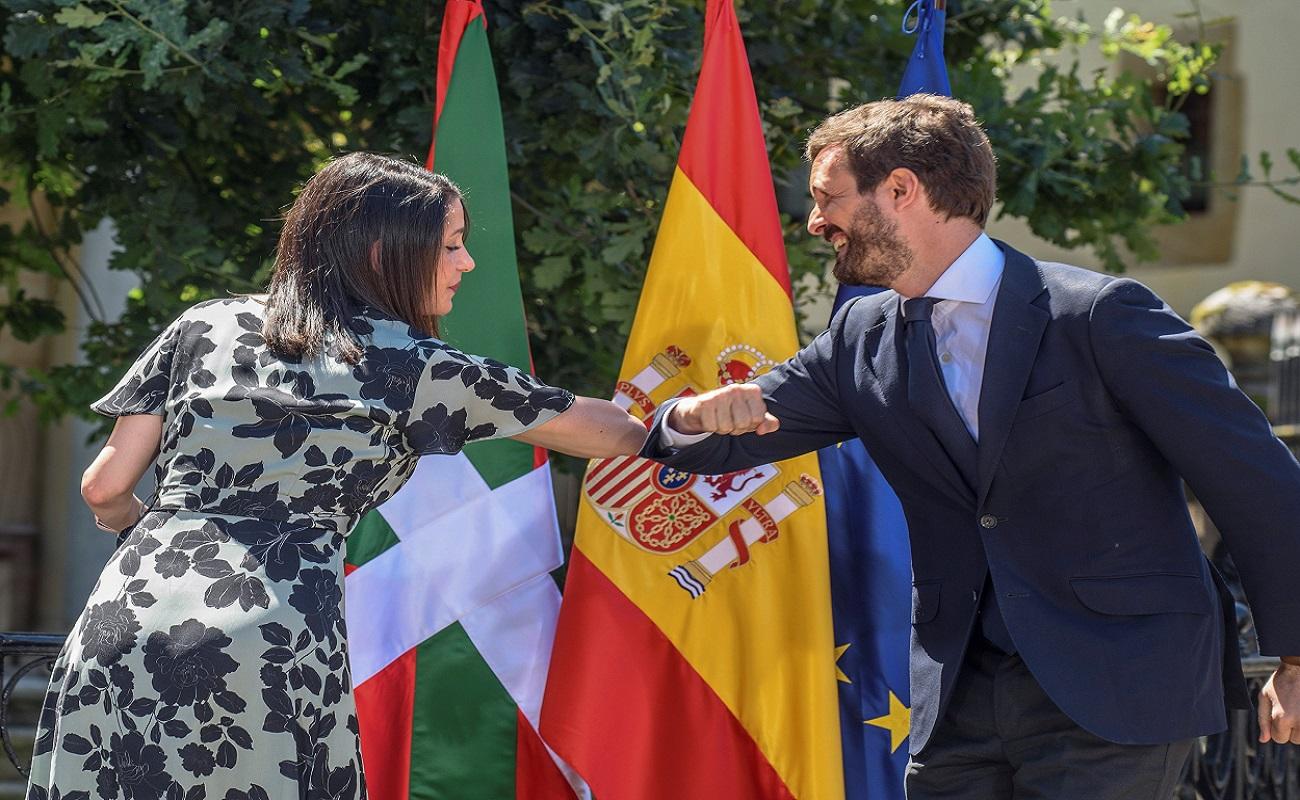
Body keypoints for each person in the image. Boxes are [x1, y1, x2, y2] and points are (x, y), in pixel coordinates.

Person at [643, 94, 1300, 799]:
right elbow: (713, 443)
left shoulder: (1102, 315)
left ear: (902, 189)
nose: (814, 222)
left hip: (1118, 690)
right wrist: (673, 414)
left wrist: (1294, 658)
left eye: (828, 198)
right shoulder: (859, 338)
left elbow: (1257, 482)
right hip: (957, 699)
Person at [27, 152, 647, 800]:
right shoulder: (419, 366)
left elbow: (103, 486)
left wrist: (143, 534)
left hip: (123, 615)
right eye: (452, 246)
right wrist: (693, 420)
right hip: (267, 633)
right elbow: (609, 432)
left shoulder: (201, 327)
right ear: (384, 252)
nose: (465, 263)